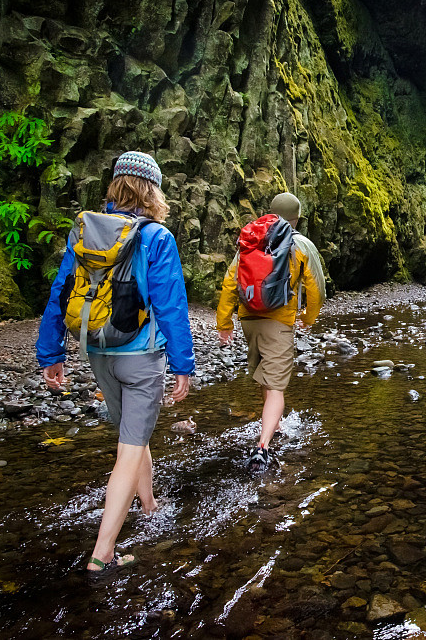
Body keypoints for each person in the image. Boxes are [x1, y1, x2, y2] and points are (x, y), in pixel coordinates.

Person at [35, 151, 195, 574]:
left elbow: (60, 290)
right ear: (152, 190)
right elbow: (171, 306)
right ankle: (102, 553)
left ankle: (148, 503)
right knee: (128, 448)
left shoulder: (85, 230)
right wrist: (183, 364)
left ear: (115, 186)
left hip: (98, 351)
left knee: (133, 434)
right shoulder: (156, 237)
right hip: (141, 356)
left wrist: (51, 353)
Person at [217, 192, 326, 471]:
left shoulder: (252, 241)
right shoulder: (300, 244)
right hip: (278, 321)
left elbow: (231, 281)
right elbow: (316, 287)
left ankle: (274, 425)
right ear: (297, 217)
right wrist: (309, 317)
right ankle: (262, 446)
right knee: (277, 386)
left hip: (249, 319)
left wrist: (224, 322)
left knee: (266, 376)